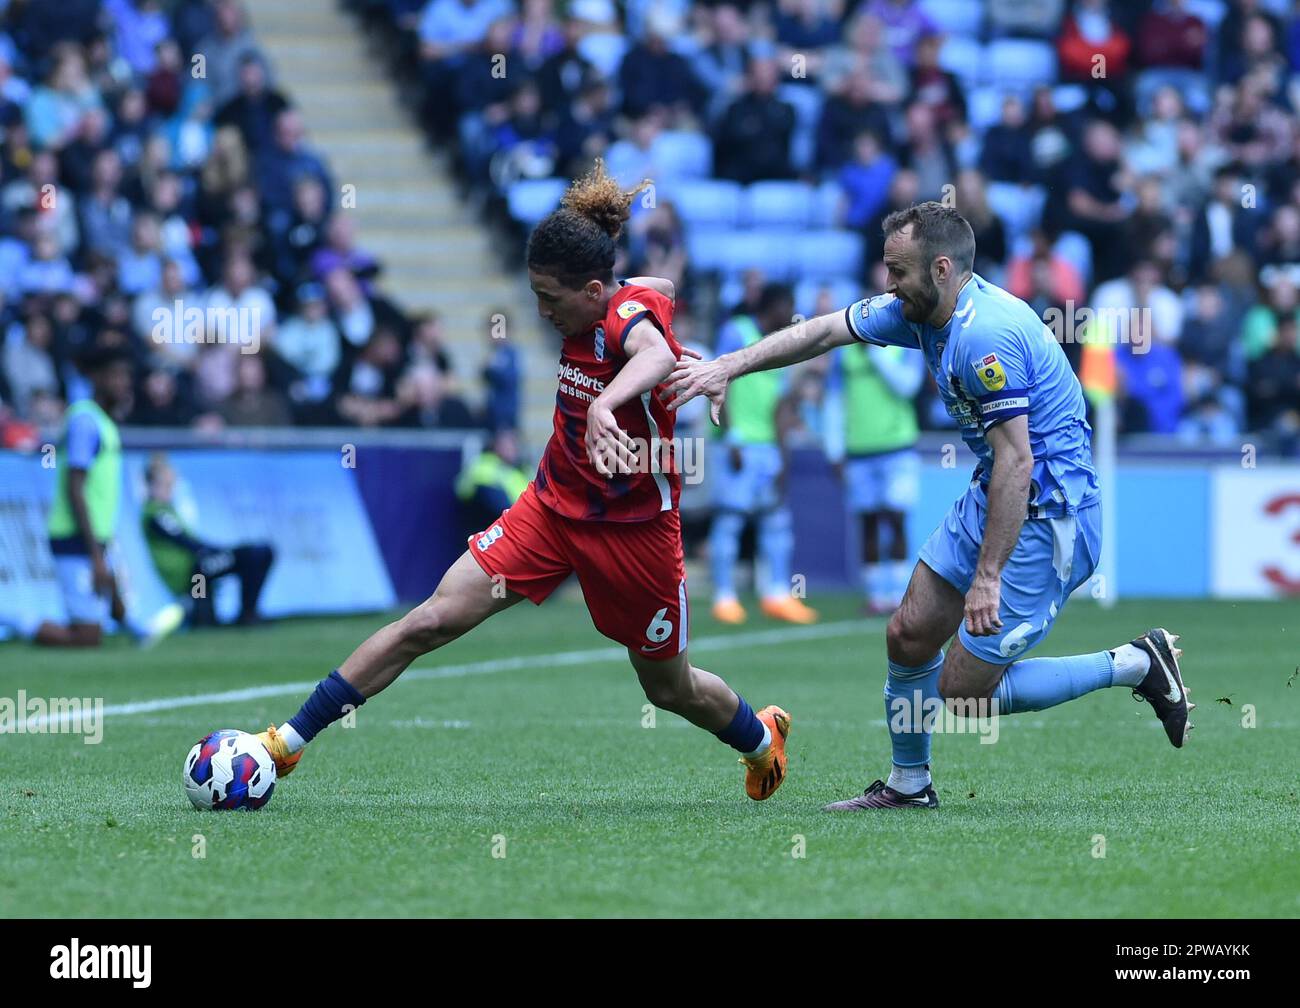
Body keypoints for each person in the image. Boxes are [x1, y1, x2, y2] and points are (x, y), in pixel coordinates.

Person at [250, 163, 793, 802]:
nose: (540, 310)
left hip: (636, 535)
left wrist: (602, 403)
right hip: (552, 511)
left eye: (550, 299)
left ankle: (762, 742)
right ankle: (285, 743)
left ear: (593, 291)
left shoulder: (625, 321)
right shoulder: (626, 299)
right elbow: (659, 286)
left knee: (667, 688)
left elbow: (655, 353)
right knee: (430, 621)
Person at [664, 202, 1195, 811]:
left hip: (1049, 514)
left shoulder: (983, 337)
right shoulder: (920, 312)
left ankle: (1132, 662)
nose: (888, 285)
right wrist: (730, 365)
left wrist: (987, 577)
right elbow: (822, 330)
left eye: (898, 271)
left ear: (941, 269)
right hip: (995, 486)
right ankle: (908, 785)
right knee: (909, 634)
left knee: (964, 694)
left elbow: (1019, 461)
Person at [34, 345, 183, 647]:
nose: (122, 383)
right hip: (75, 537)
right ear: (95, 378)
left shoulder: (103, 421)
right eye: (114, 376)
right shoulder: (85, 421)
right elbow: (74, 486)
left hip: (96, 535)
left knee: (115, 599)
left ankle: (139, 628)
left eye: (125, 376)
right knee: (89, 637)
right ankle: (26, 626)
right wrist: (94, 554)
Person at [708, 282, 818, 626]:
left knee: (777, 523)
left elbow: (780, 407)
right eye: (788, 307)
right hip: (737, 446)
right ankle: (723, 596)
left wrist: (783, 454)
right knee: (730, 521)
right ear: (772, 306)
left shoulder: (781, 348)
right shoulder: (736, 331)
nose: (791, 316)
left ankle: (777, 594)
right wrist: (733, 439)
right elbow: (716, 382)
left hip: (768, 447)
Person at [828, 335, 924, 614]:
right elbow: (835, 401)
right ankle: (875, 597)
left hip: (898, 448)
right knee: (868, 522)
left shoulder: (905, 344)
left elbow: (907, 386)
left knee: (896, 518)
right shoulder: (844, 354)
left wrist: (874, 352)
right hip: (859, 451)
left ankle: (898, 596)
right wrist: (834, 450)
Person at [141, 453, 275, 626]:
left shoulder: (168, 510)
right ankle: (205, 616)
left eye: (170, 485)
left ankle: (241, 612)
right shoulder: (154, 513)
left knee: (257, 554)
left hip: (198, 567)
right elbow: (187, 543)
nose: (169, 490)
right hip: (191, 572)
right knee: (213, 567)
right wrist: (218, 552)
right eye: (165, 485)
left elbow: (192, 542)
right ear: (151, 485)